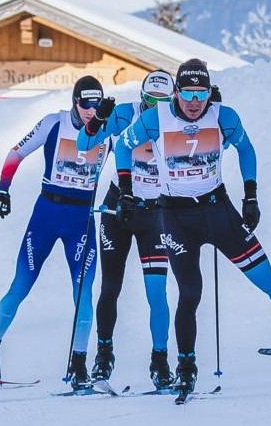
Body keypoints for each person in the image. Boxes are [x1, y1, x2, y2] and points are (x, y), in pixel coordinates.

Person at [113, 58, 271, 395]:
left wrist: (250, 197)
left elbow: (246, 149)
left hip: (217, 211)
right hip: (174, 218)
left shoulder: (223, 116)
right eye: (188, 93)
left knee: (265, 276)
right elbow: (123, 146)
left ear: (209, 92)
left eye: (201, 93)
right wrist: (126, 191)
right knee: (190, 293)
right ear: (176, 92)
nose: (194, 101)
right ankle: (186, 364)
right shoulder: (154, 119)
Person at [0, 76, 108, 390]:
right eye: (86, 103)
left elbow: (144, 132)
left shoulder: (108, 127)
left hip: (81, 218)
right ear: (75, 102)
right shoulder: (53, 123)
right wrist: (3, 189)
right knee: (21, 284)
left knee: (83, 293)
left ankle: (80, 363)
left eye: (96, 104)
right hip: (47, 214)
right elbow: (16, 153)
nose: (91, 110)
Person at [75, 70, 176, 389]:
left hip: (155, 213)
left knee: (156, 292)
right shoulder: (124, 114)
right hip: (119, 207)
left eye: (161, 103)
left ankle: (160, 361)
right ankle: (104, 356)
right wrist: (96, 121)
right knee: (110, 286)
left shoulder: (178, 119)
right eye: (148, 102)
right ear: (141, 97)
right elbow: (84, 144)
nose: (153, 110)